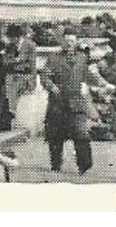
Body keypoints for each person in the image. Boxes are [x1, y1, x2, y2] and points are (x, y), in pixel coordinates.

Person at [41, 35, 95, 174]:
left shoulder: (82, 57)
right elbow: (44, 76)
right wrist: (51, 86)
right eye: (66, 41)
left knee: (81, 133)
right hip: (58, 102)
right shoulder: (54, 57)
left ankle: (84, 165)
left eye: (72, 41)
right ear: (62, 42)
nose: (69, 43)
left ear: (76, 42)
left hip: (77, 102)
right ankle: (56, 165)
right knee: (55, 135)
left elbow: (87, 75)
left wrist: (100, 84)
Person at [0, 23, 38, 132]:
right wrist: (17, 61)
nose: (10, 40)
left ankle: (10, 112)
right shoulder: (10, 46)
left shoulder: (30, 45)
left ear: (17, 37)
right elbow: (5, 62)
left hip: (26, 76)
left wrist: (33, 82)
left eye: (11, 38)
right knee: (8, 82)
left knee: (12, 84)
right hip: (13, 75)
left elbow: (32, 65)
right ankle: (8, 113)